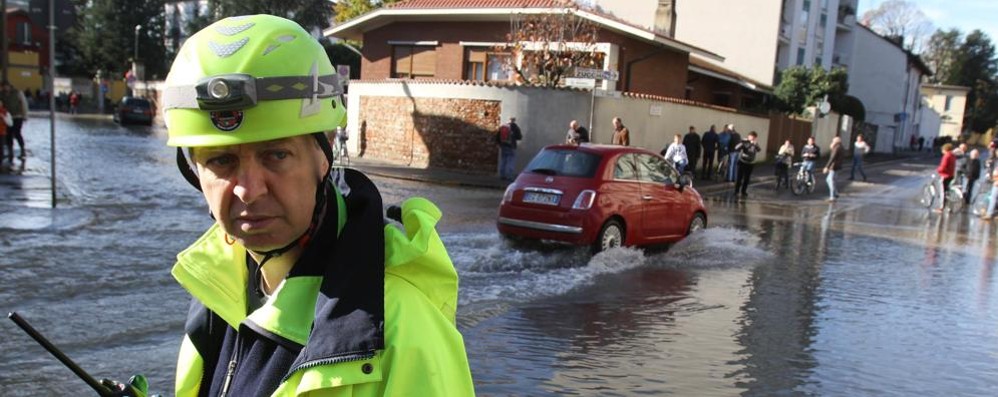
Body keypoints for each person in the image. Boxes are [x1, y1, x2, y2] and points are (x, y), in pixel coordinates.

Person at [158, 15, 474, 397]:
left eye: (276, 154)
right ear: (194, 171)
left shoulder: (401, 330)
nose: (249, 190)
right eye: (220, 161)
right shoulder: (218, 290)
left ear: (323, 155)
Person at [1, 81, 28, 161]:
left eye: (6, 86)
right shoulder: (2, 94)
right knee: (8, 134)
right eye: (4, 86)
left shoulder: (17, 93)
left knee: (17, 133)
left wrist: (25, 115)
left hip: (17, 116)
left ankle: (22, 150)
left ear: (10, 86)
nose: (5, 88)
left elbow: (24, 103)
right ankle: (10, 152)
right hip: (8, 117)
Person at [733, 131, 760, 197]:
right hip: (742, 162)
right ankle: (736, 191)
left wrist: (755, 144)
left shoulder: (755, 144)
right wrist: (743, 142)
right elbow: (736, 148)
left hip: (750, 163)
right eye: (751, 137)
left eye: (754, 137)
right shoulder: (744, 142)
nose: (752, 138)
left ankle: (743, 191)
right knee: (739, 178)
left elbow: (759, 150)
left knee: (747, 178)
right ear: (749, 136)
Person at [496, 116, 523, 180]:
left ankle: (502, 175)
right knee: (511, 161)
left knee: (503, 160)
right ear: (514, 120)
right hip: (511, 146)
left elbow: (497, 136)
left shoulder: (503, 126)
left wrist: (500, 144)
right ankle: (510, 176)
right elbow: (519, 137)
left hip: (503, 146)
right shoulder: (515, 127)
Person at [934, 143, 956, 213]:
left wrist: (938, 169)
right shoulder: (952, 156)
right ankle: (949, 206)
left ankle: (941, 208)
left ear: (945, 149)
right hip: (951, 175)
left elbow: (943, 166)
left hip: (945, 175)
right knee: (947, 191)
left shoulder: (946, 156)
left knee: (942, 192)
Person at [824, 136, 844, 202]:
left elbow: (832, 158)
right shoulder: (841, 147)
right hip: (838, 166)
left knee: (830, 180)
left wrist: (827, 167)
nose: (832, 142)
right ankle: (836, 193)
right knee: (831, 180)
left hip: (834, 166)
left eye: (833, 141)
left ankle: (832, 196)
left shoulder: (836, 147)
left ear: (836, 141)